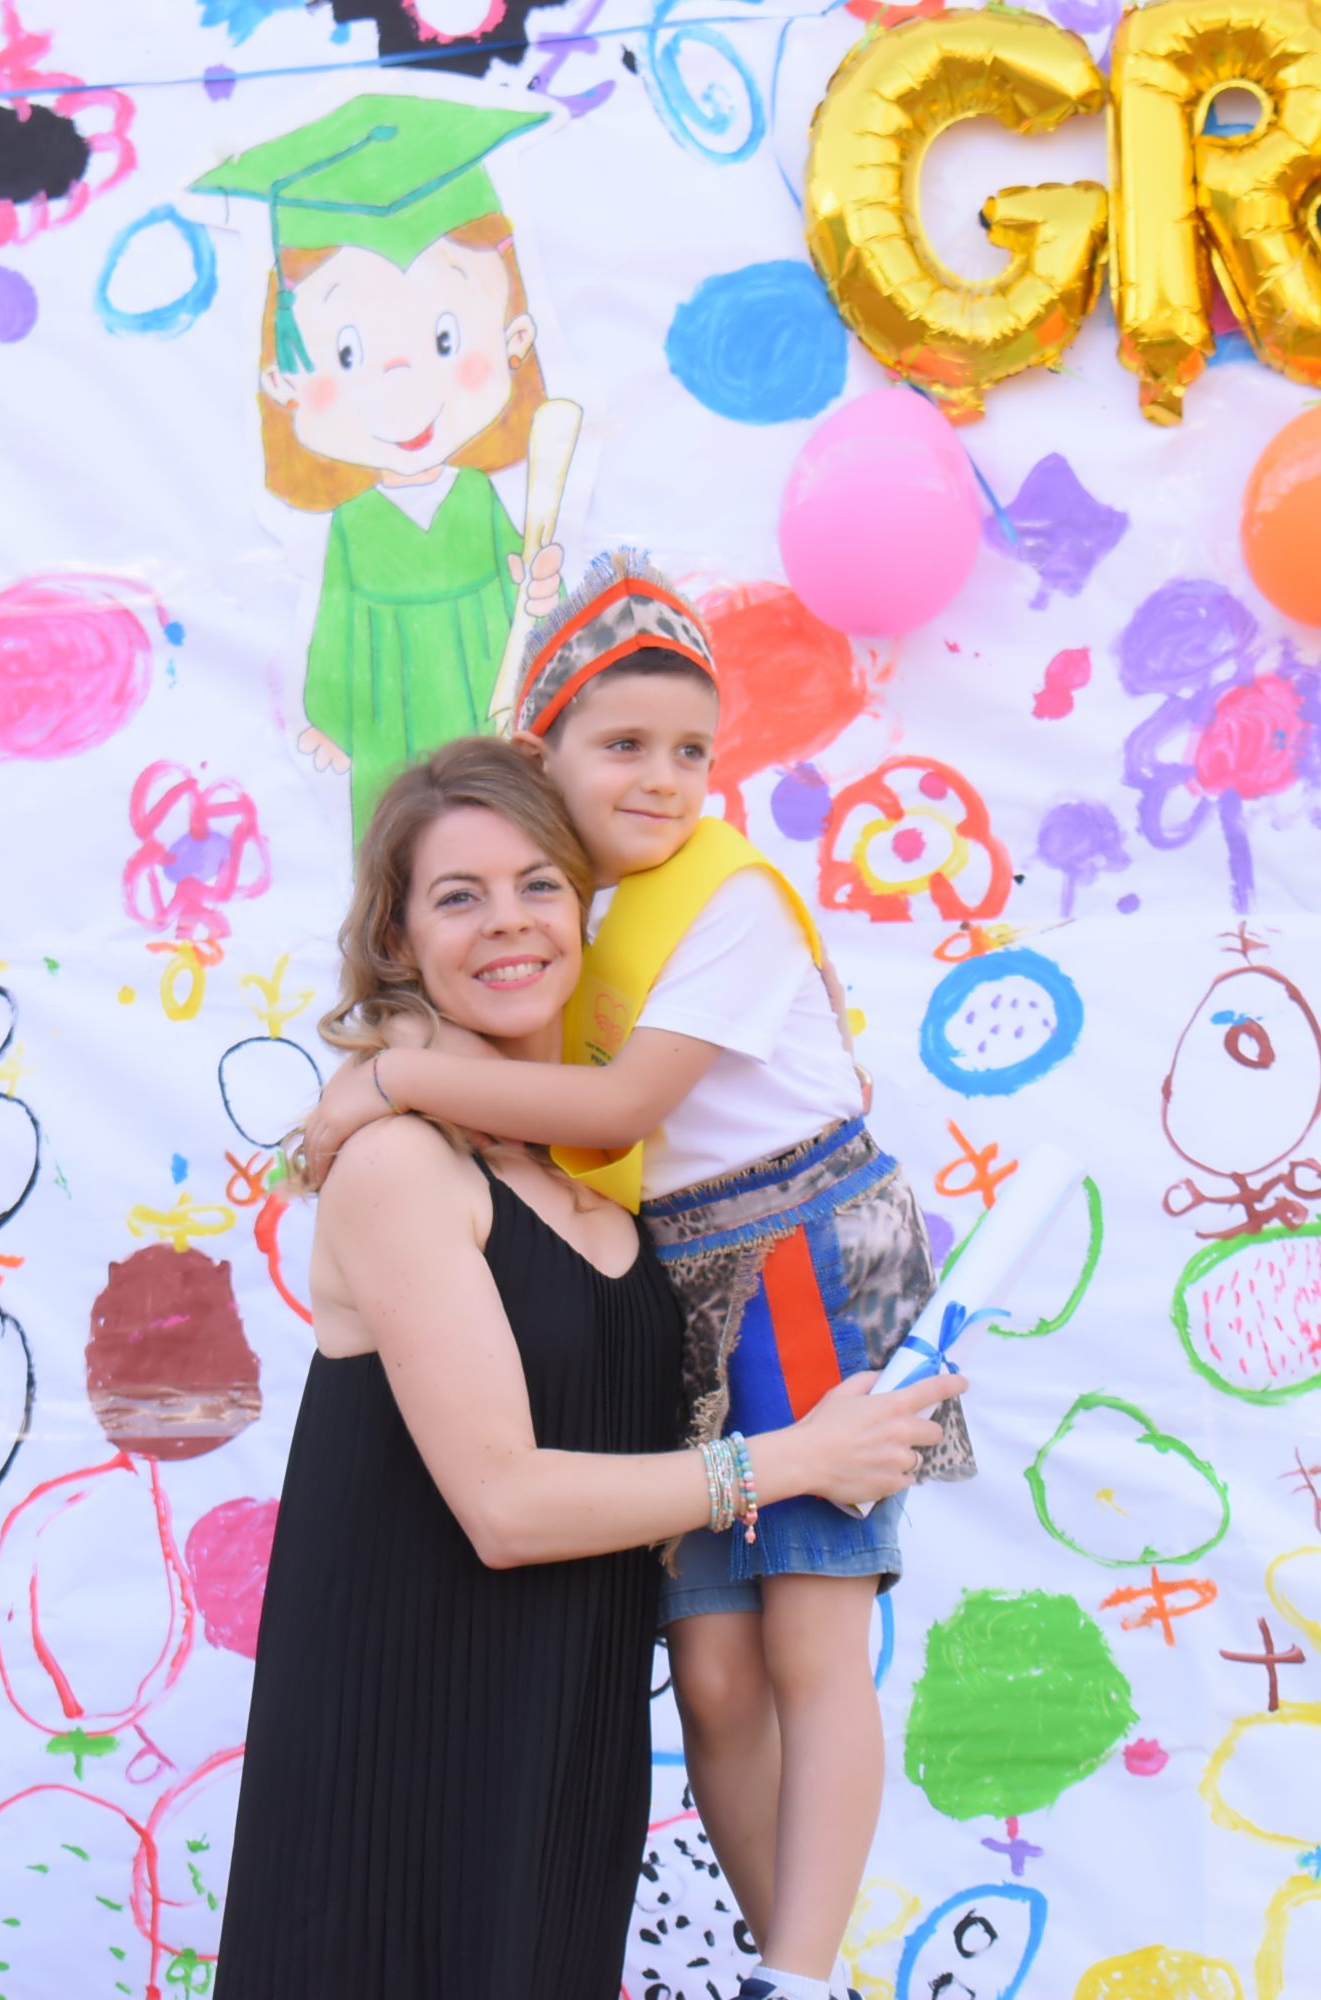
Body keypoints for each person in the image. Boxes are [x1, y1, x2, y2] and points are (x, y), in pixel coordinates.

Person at [295, 556, 973, 2000]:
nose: (661, 783)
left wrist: (381, 1079)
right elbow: (508, 1499)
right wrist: (383, 1093)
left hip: (799, 1259)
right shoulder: (436, 1156)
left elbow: (604, 1117)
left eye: (536, 885)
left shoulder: (704, 914)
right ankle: (792, 1954)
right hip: (424, 1737)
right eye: (461, 897)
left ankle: (798, 1972)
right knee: (719, 1675)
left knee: (807, 1643)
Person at [195, 93, 568, 845]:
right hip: (388, 730)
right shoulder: (356, 525)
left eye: (444, 338)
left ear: (514, 339)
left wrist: (535, 592)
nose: (402, 393)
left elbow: (513, 596)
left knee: (506, 845)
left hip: (489, 718)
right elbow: (336, 628)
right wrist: (330, 716)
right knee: (409, 866)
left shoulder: (474, 496)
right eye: (348, 355)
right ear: (283, 383)